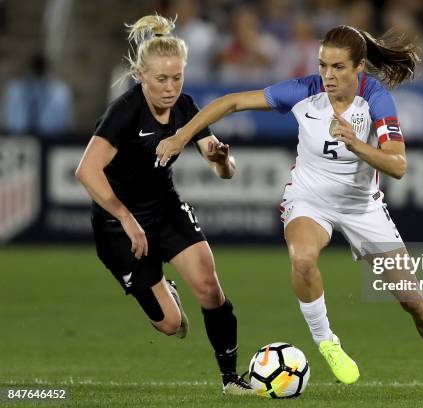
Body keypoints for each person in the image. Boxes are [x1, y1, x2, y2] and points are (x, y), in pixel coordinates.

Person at [156, 25, 423, 399]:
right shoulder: (304, 91)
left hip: (361, 206)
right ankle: (327, 343)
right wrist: (181, 136)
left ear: (359, 67)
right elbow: (232, 103)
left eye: (338, 67)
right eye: (323, 65)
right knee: (303, 259)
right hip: (309, 198)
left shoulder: (377, 99)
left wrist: (356, 143)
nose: (328, 75)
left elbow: (398, 165)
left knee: (413, 300)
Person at [74, 14, 252, 395]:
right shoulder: (124, 112)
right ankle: (161, 291)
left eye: (177, 78)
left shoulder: (185, 107)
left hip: (165, 208)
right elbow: (86, 171)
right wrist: (125, 218)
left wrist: (221, 159)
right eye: (161, 79)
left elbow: (225, 171)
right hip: (116, 224)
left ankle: (231, 379)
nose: (171, 88)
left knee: (209, 286)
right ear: (141, 75)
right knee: (171, 325)